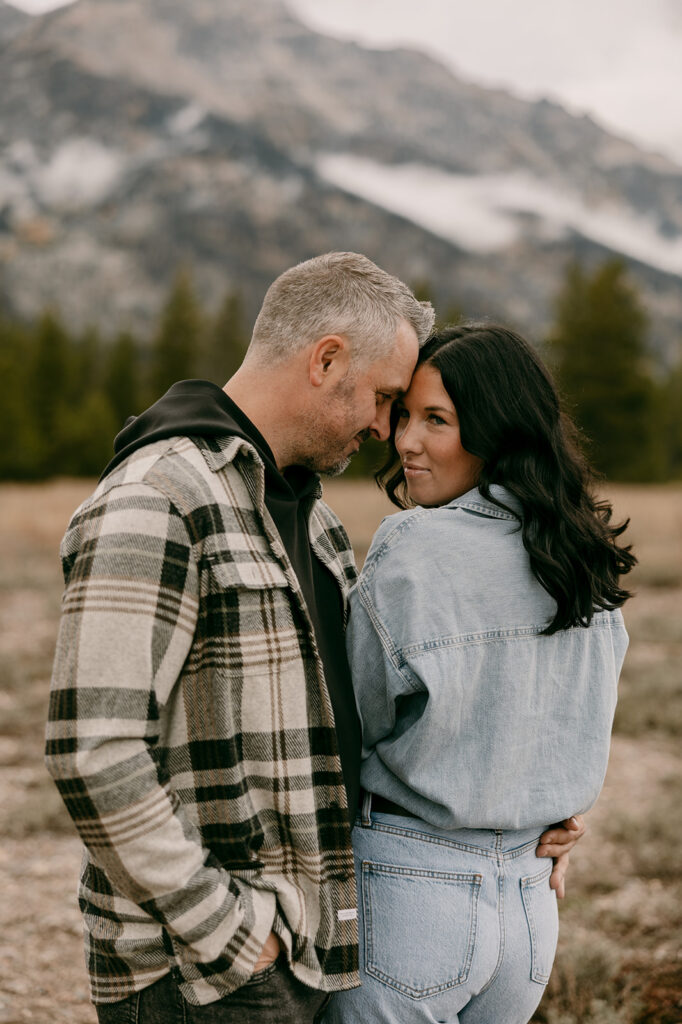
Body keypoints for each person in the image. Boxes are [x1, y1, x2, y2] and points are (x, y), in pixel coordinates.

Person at [45, 256, 584, 1024]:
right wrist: (229, 931)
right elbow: (92, 751)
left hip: (308, 946)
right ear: (326, 359)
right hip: (201, 968)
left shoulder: (313, 518)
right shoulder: (157, 497)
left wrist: (522, 809)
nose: (384, 429)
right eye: (385, 398)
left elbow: (356, 724)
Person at [323, 323, 634, 1024]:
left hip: (412, 898)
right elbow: (577, 725)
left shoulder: (416, 546)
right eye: (404, 413)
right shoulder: (582, 555)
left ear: (497, 430)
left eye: (438, 419)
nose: (405, 440)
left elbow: (352, 723)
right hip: (529, 916)